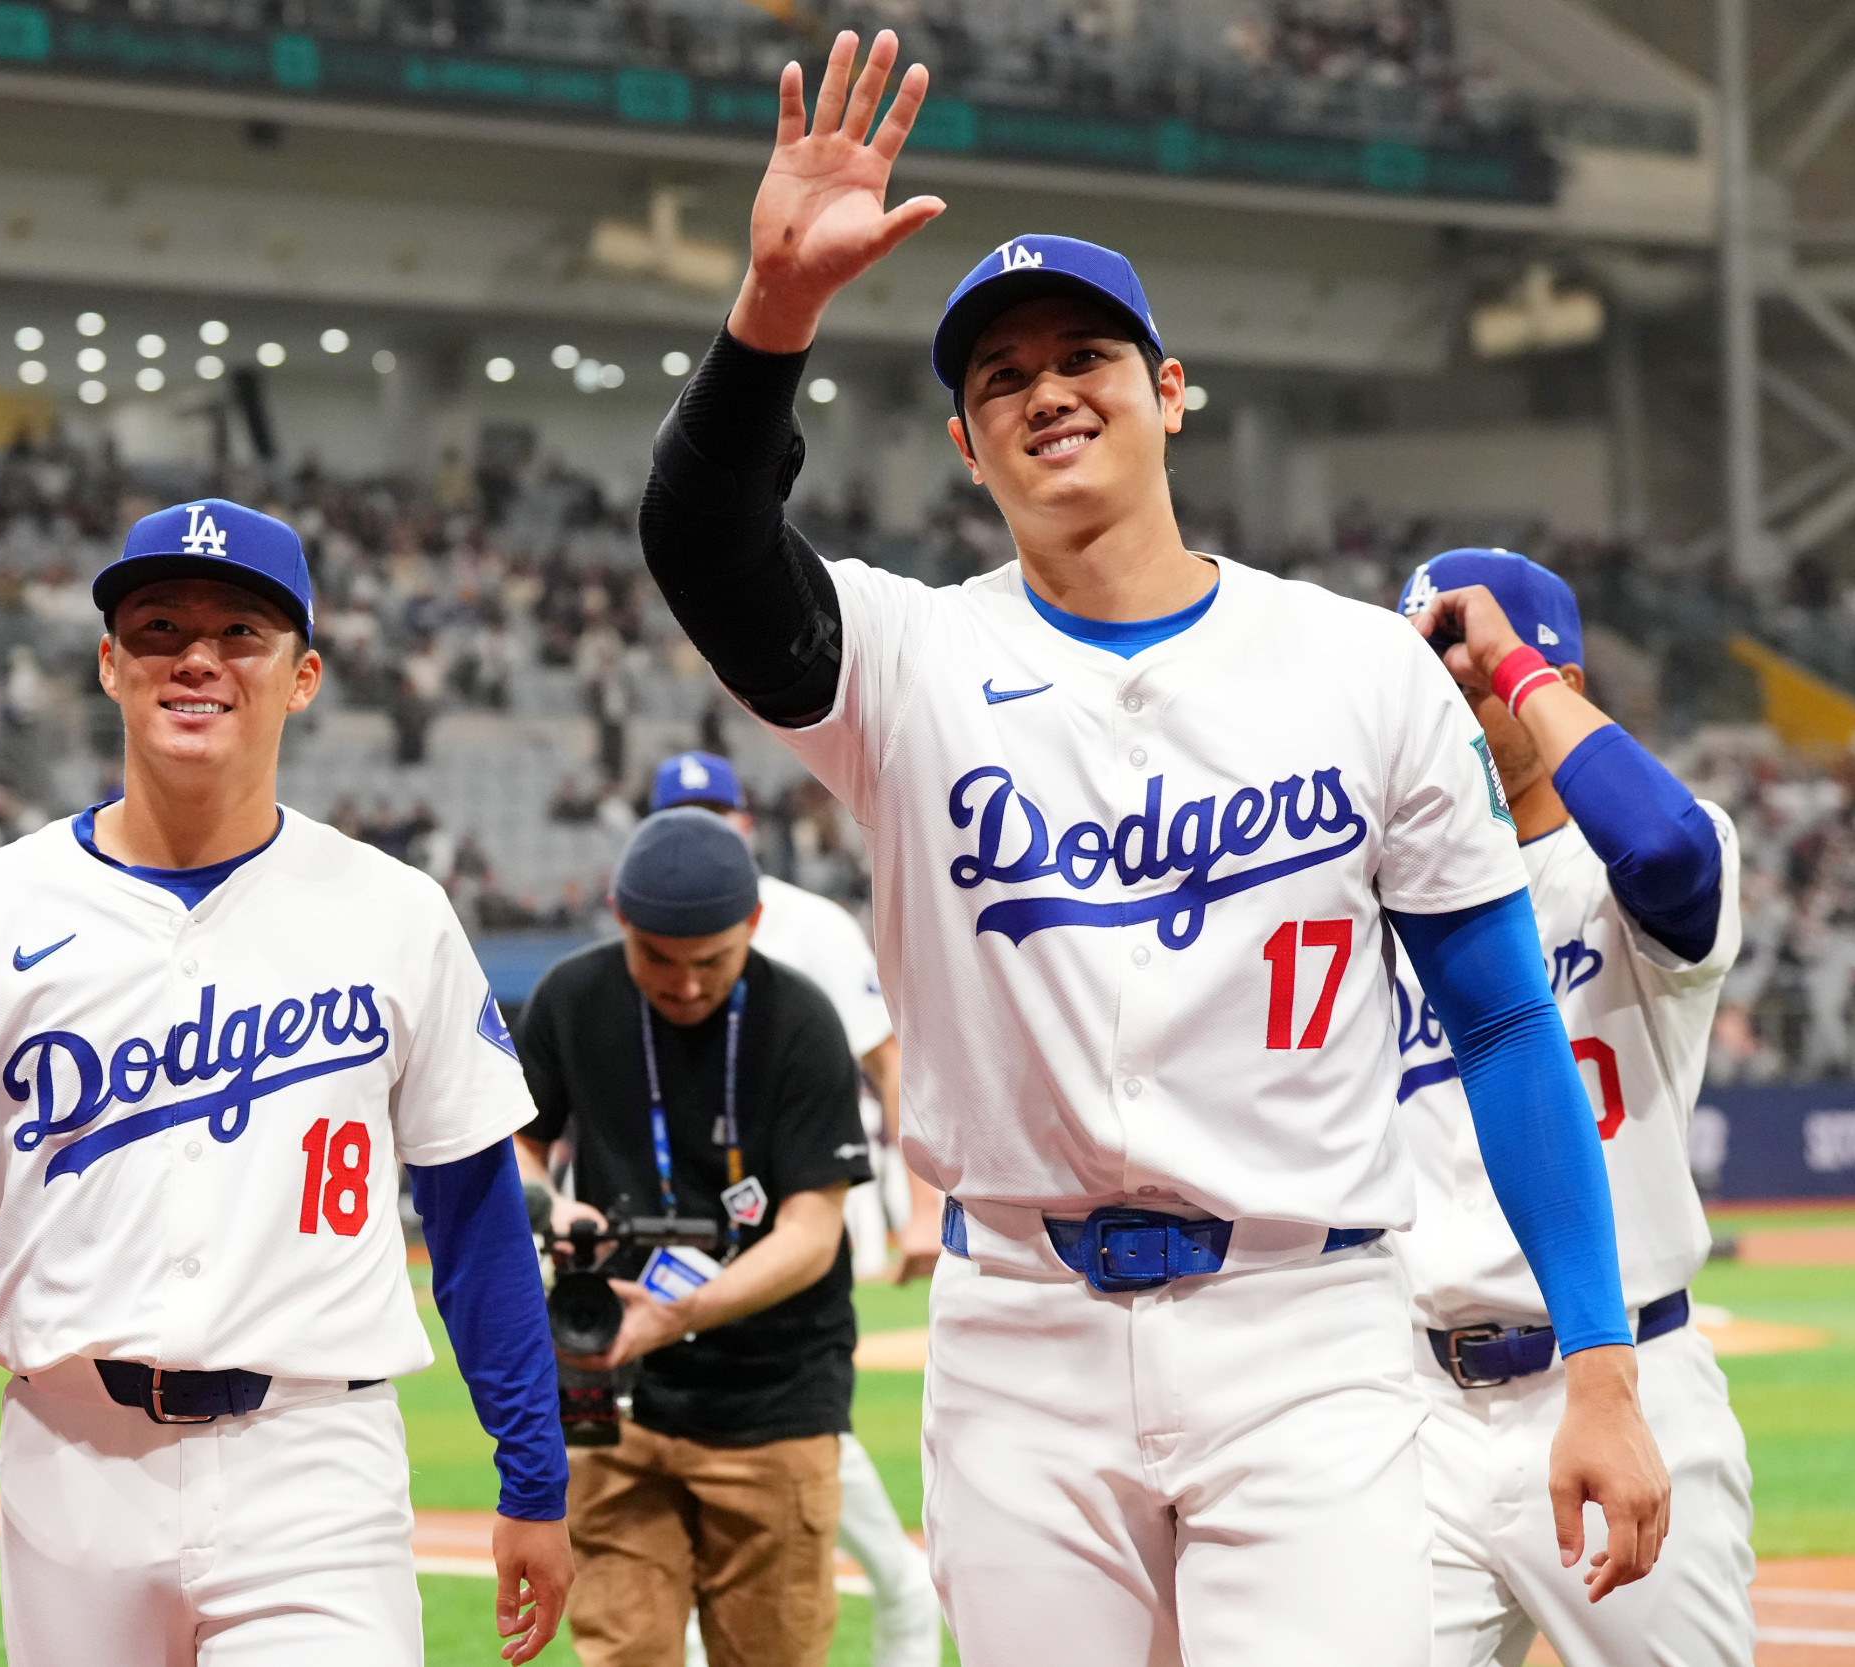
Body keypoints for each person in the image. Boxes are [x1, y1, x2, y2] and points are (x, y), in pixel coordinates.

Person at [633, 32, 1667, 1664]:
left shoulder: (1358, 663)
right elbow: (700, 541)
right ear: (968, 449)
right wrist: (774, 308)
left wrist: (1600, 1359)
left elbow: (1504, 1017)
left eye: (1086, 354)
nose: (1045, 386)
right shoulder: (901, 661)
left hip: (1306, 1321)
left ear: (1168, 391)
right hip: (1019, 1329)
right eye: (998, 376)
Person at [0, 497, 573, 1667]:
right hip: (69, 1456)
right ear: (108, 663)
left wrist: (534, 1475)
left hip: (313, 1451)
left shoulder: (397, 912)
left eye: (240, 631)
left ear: (302, 677)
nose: (195, 656)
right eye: (156, 626)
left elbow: (474, 1211)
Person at [1396, 551, 1757, 1667]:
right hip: (1409, 1404)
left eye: (1466, 695)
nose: (1441, 720)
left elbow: (1663, 846)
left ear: (1550, 684)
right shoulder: (1375, 893)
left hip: (1619, 1381)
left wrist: (1501, 657)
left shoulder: (1633, 877)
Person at [513, 807, 875, 1667]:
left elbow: (812, 1232)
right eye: (657, 959)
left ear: (752, 923)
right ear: (618, 915)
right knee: (621, 1652)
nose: (682, 985)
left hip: (773, 1402)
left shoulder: (800, 1022)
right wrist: (548, 1207)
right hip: (613, 1394)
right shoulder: (573, 997)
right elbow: (516, 1140)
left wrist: (681, 1313)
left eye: (711, 960)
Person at [648, 749, 941, 1667]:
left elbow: (891, 1064)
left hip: (802, 1231)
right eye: (681, 816)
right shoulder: (640, 934)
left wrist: (920, 1207)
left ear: (748, 824)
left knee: (877, 1566)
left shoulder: (810, 926)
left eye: (718, 814)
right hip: (683, 1249)